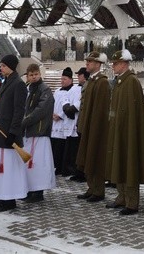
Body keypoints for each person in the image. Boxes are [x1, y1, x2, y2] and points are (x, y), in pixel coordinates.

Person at [104, 49, 144, 215]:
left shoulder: (131, 81)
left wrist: (129, 131)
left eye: (115, 63)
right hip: (118, 130)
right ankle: (122, 197)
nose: (113, 66)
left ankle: (132, 202)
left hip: (128, 132)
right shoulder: (121, 81)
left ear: (123, 64)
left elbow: (134, 112)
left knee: (129, 165)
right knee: (119, 163)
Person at [0, 54, 28, 212]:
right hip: (0, 132)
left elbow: (19, 111)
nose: (1, 68)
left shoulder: (18, 84)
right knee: (1, 167)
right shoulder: (7, 81)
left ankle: (9, 199)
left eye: (3, 65)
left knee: (9, 168)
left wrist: (13, 132)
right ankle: (3, 197)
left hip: (8, 134)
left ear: (11, 66)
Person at [75, 51, 110, 202]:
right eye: (87, 61)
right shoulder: (91, 81)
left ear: (98, 64)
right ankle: (91, 187)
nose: (87, 63)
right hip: (88, 125)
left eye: (90, 61)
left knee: (95, 158)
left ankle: (98, 190)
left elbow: (100, 109)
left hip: (96, 128)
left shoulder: (102, 82)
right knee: (87, 157)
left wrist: (94, 128)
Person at [21, 63, 56, 203]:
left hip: (39, 131)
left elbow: (41, 110)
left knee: (38, 163)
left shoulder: (45, 90)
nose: (34, 77)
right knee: (29, 162)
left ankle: (38, 191)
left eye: (36, 74)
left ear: (40, 74)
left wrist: (25, 121)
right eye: (31, 75)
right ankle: (30, 189)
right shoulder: (28, 89)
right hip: (29, 132)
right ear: (27, 76)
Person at [52, 67, 81, 176]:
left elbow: (71, 105)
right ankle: (55, 166)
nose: (62, 81)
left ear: (70, 80)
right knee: (55, 146)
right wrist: (52, 114)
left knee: (62, 148)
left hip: (65, 122)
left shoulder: (74, 90)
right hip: (54, 122)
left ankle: (62, 167)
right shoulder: (57, 91)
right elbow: (53, 104)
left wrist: (60, 115)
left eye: (64, 79)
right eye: (61, 79)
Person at [68, 66, 90, 183]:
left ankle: (83, 174)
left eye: (79, 75)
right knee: (78, 151)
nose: (78, 77)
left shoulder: (88, 85)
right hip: (79, 122)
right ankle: (79, 172)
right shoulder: (80, 87)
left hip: (84, 122)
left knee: (83, 150)